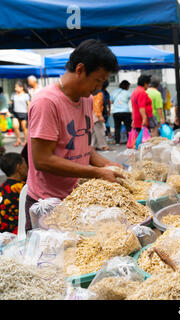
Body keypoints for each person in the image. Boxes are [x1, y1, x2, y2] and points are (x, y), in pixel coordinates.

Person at [26, 39, 123, 232]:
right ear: (80, 69)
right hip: (46, 204)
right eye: (97, 80)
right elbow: (42, 160)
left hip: (74, 198)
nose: (98, 87)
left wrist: (107, 165)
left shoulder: (86, 100)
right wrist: (97, 172)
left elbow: (84, 148)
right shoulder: (46, 102)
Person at [0, 153, 27, 234]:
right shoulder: (22, 188)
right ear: (19, 167)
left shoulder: (3, 187)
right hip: (16, 233)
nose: (27, 167)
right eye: (25, 164)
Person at [111, 80, 132, 145]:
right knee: (128, 127)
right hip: (125, 111)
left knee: (117, 127)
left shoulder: (114, 92)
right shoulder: (127, 92)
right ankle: (130, 141)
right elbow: (131, 100)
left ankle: (117, 141)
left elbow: (111, 101)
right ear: (126, 86)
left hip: (116, 112)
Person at [10, 81, 30, 147]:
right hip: (15, 113)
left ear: (22, 88)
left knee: (24, 128)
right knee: (15, 126)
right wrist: (9, 111)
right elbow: (11, 104)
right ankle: (18, 140)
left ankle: (26, 141)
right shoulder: (13, 95)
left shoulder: (26, 95)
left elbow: (29, 104)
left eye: (17, 87)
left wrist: (29, 112)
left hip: (24, 113)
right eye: (15, 87)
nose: (15, 88)